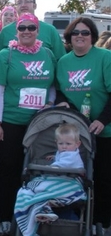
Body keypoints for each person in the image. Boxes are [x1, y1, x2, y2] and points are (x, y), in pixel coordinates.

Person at [0, 13, 57, 235]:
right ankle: (6, 217)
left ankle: (32, 215)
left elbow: (53, 87)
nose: (26, 31)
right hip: (10, 121)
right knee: (9, 169)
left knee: (37, 171)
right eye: (22, 28)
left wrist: (51, 104)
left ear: (38, 30)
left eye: (31, 27)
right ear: (16, 31)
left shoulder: (47, 54)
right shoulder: (5, 55)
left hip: (40, 124)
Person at [55, 17, 111, 235]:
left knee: (103, 178)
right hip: (76, 133)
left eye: (85, 32)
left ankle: (101, 222)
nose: (80, 36)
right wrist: (63, 102)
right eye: (76, 32)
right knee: (78, 178)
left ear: (93, 37)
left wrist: (102, 120)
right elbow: (60, 90)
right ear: (69, 37)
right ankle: (76, 220)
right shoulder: (64, 62)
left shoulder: (105, 57)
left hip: (103, 130)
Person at [14, 123, 86, 236]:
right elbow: (61, 159)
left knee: (33, 187)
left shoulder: (72, 156)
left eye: (68, 144)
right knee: (34, 186)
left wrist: (46, 167)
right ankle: (44, 210)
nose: (64, 147)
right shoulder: (64, 153)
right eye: (61, 143)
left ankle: (42, 209)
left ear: (77, 144)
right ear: (56, 143)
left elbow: (60, 166)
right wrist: (55, 157)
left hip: (69, 183)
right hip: (60, 179)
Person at [0, 0, 66, 60]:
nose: (23, 5)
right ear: (16, 7)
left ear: (35, 6)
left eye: (27, 1)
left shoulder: (50, 30)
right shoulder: (6, 31)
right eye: (19, 2)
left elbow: (60, 60)